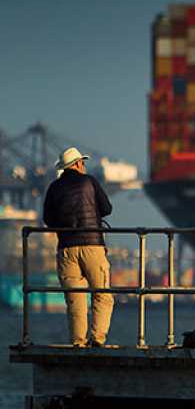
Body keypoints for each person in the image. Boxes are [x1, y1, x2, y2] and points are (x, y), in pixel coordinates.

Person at [42, 147, 114, 347]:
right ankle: (98, 339)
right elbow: (107, 208)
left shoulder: (54, 188)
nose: (84, 165)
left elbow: (48, 219)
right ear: (77, 164)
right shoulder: (90, 182)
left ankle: (77, 342)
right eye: (82, 162)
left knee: (75, 300)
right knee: (102, 295)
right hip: (93, 246)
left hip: (66, 249)